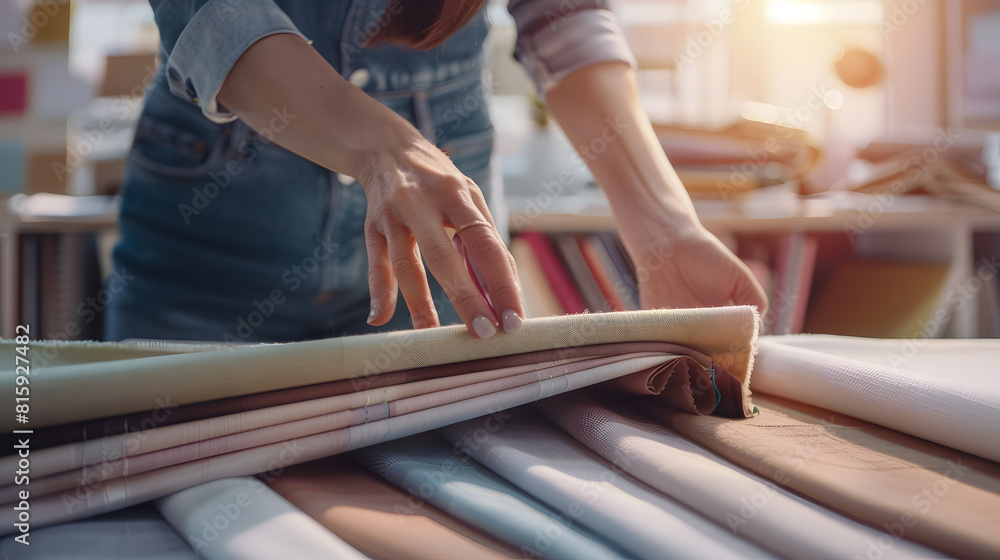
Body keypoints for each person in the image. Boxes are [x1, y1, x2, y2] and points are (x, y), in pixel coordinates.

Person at [105, 0, 767, 343]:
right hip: (207, 264)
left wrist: (662, 227)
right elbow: (213, 14)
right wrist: (381, 149)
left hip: (441, 257)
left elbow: (563, 15)